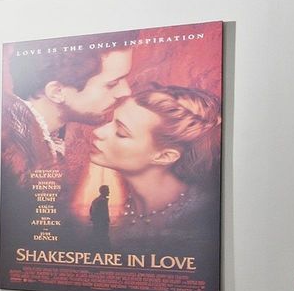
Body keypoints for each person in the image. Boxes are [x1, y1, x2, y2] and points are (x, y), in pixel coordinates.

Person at [85, 85, 222, 254]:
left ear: (165, 156)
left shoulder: (197, 218)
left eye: (120, 132)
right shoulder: (127, 205)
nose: (98, 132)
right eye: (110, 121)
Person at [1, 45, 134, 190]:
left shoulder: (40, 139)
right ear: (57, 92)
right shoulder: (11, 153)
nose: (126, 91)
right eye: (112, 84)